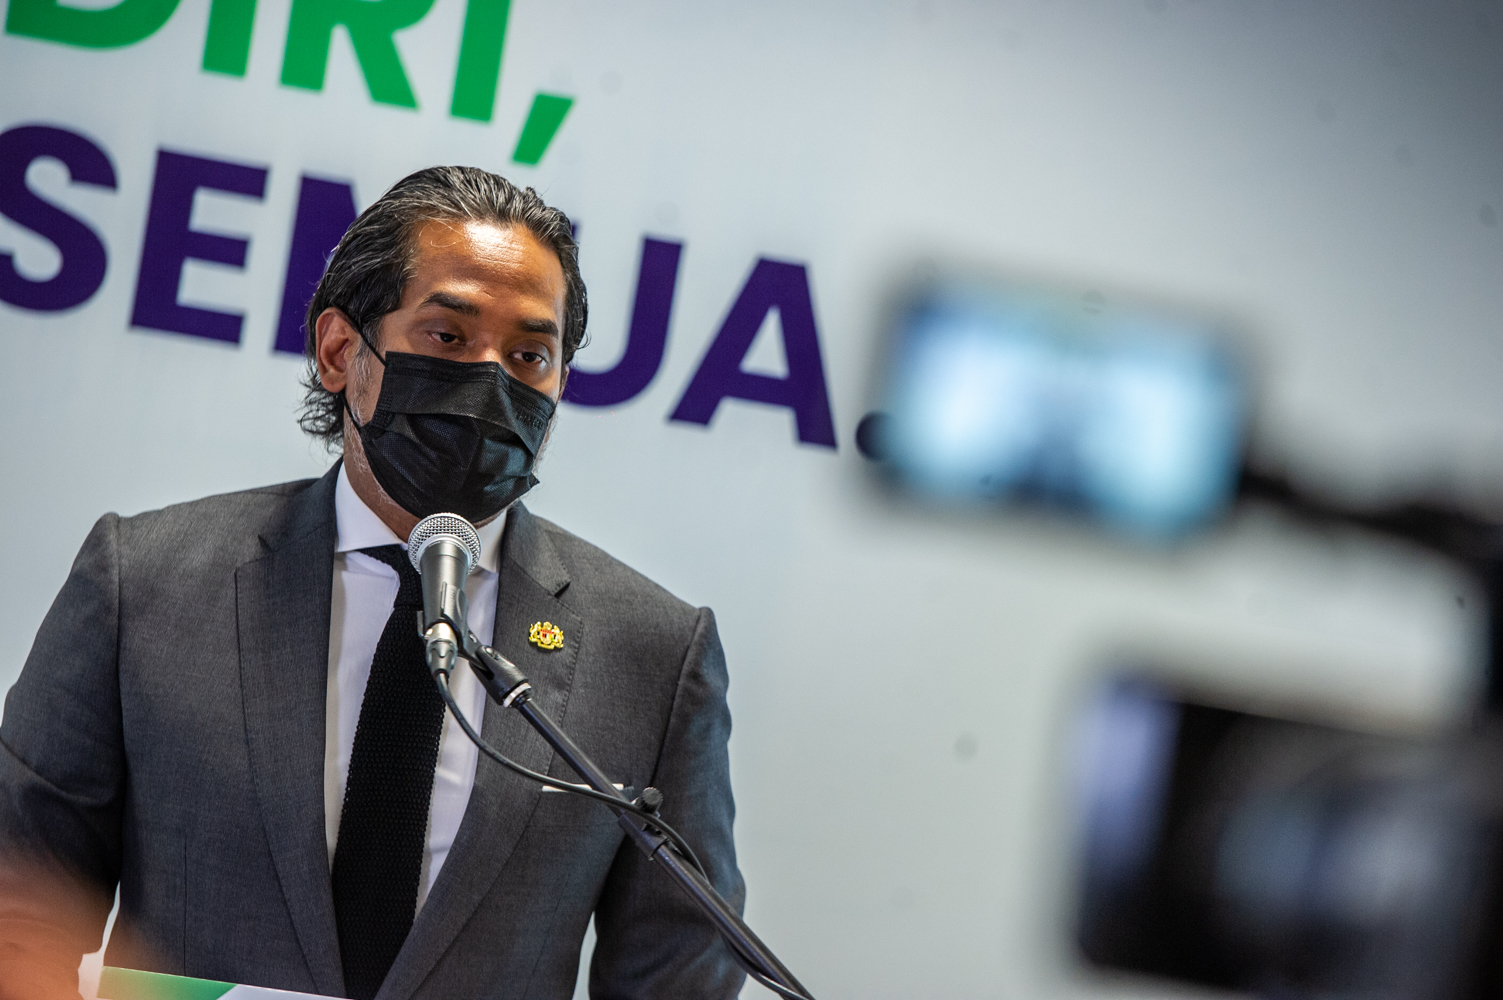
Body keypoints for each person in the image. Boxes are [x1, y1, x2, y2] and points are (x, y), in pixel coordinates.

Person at [0, 167, 746, 1000]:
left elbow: (678, 968)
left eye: (530, 355)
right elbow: (19, 895)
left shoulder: (652, 651)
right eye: (448, 338)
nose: (489, 380)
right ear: (339, 350)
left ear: (560, 387)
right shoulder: (145, 582)